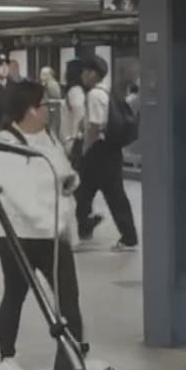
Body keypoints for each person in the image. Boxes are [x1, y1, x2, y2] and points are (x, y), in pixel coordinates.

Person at [0, 80, 92, 370]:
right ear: (29, 110)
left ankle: (71, 362)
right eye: (44, 105)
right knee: (16, 293)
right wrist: (51, 224)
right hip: (17, 235)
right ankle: (6, 359)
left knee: (68, 297)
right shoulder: (6, 142)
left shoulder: (47, 137)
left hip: (53, 234)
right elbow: (18, 195)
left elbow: (62, 170)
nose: (49, 110)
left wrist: (69, 182)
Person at [74, 57, 138, 251]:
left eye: (85, 72)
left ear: (93, 73)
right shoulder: (107, 91)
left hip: (97, 152)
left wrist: (84, 149)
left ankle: (84, 232)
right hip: (111, 151)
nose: (82, 76)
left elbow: (95, 126)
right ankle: (128, 237)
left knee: (82, 192)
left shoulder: (94, 94)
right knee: (114, 194)